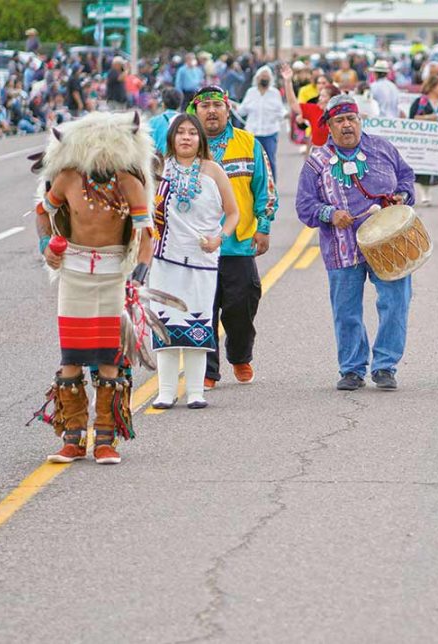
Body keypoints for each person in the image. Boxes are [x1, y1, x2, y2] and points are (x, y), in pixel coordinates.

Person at [29, 112, 155, 465]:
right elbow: (42, 212)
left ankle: (104, 439)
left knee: (109, 359)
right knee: (71, 359)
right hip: (74, 272)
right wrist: (45, 248)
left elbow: (147, 233)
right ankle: (72, 438)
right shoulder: (68, 179)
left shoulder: (129, 182)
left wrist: (139, 275)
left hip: (115, 275)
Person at [295, 95, 416, 391]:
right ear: (329, 126)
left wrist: (402, 196)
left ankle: (385, 366)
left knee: (395, 304)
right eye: (339, 121)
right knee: (346, 310)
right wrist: (330, 213)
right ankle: (352, 368)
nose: (347, 125)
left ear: (361, 121)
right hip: (342, 248)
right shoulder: (317, 161)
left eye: (352, 119)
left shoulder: (383, 149)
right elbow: (304, 204)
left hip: (389, 244)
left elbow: (407, 178)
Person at [190, 86, 279, 389]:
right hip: (196, 247)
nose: (211, 111)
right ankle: (207, 369)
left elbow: (264, 187)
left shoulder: (248, 143)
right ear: (195, 111)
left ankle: (240, 355)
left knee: (242, 305)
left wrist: (263, 226)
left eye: (217, 105)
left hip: (238, 244)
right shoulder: (185, 146)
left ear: (228, 110)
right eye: (205, 106)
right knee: (201, 309)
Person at [150, 115, 240, 410]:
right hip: (166, 257)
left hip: (202, 258)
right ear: (172, 138)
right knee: (165, 323)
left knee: (197, 322)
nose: (186, 138)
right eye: (180, 133)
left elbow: (233, 212)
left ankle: (195, 390)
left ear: (201, 139)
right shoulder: (158, 170)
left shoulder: (213, 170)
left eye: (192, 133)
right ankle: (165, 391)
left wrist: (220, 238)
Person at [409, 75, 438, 205]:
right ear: (432, 86)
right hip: (426, 141)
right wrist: (432, 117)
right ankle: (425, 196)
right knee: (425, 167)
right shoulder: (420, 102)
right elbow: (413, 118)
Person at [237, 65, 290, 179]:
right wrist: (232, 107)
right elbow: (242, 111)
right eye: (262, 76)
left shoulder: (275, 93)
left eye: (267, 77)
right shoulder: (251, 92)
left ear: (271, 79)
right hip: (252, 132)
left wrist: (287, 115)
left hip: (270, 133)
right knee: (252, 161)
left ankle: (271, 188)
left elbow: (280, 110)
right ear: (257, 78)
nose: (264, 79)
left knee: (269, 161)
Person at [149, 88, 183, 154]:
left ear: (163, 104)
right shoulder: (186, 121)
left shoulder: (153, 121)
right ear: (179, 104)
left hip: (159, 161)